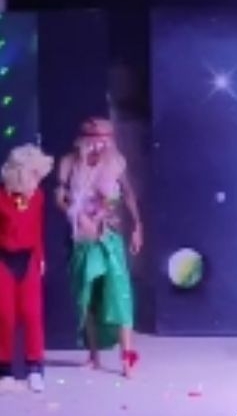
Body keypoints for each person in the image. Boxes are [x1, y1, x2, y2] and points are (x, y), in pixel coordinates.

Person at [55, 117, 143, 378]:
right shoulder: (69, 163)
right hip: (82, 237)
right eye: (94, 141)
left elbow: (126, 194)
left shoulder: (116, 162)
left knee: (119, 293)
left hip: (109, 236)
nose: (99, 146)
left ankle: (128, 358)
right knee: (87, 294)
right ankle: (93, 355)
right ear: (83, 141)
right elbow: (60, 197)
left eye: (105, 140)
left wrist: (138, 226)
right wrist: (77, 215)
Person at [0, 145, 53, 393]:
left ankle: (35, 368)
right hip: (3, 259)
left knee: (32, 314)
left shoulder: (38, 196)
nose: (38, 180)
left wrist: (40, 258)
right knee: (5, 316)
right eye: (34, 174)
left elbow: (37, 229)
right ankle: (5, 370)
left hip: (29, 259)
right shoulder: (2, 197)